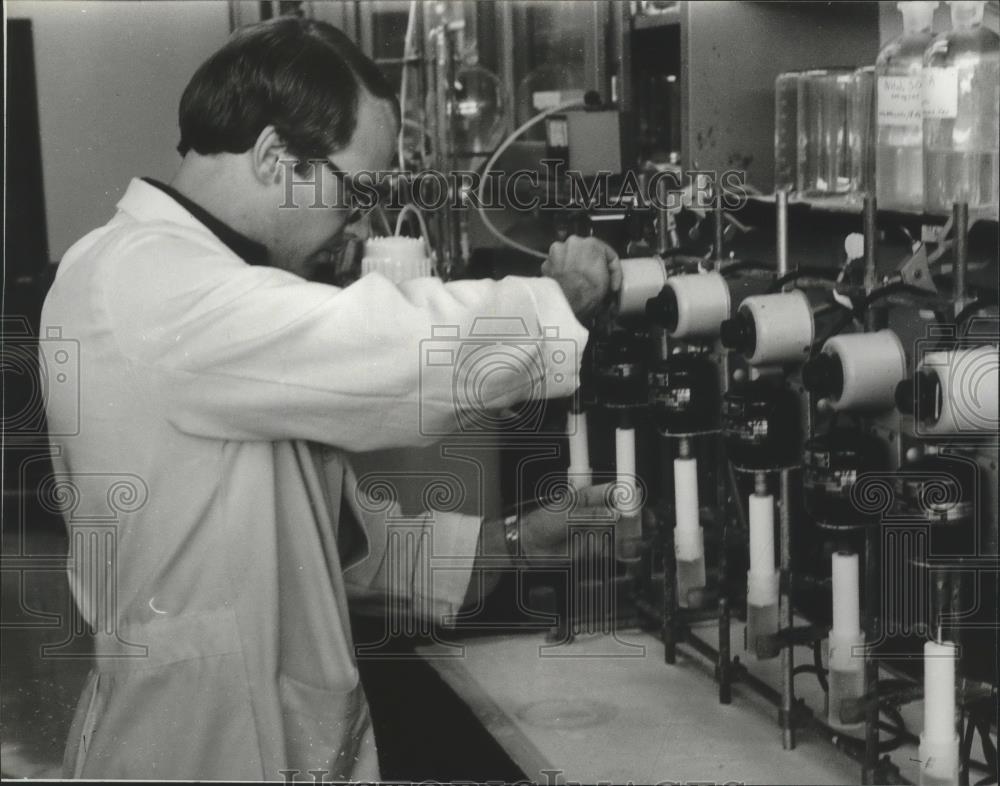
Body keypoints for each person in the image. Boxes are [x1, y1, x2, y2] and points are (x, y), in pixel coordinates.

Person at [40, 16, 622, 781]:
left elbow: (331, 544)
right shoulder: (145, 282)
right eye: (353, 194)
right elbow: (390, 349)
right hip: (199, 751)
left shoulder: (207, 287)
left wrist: (510, 543)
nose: (356, 228)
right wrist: (562, 297)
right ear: (276, 156)